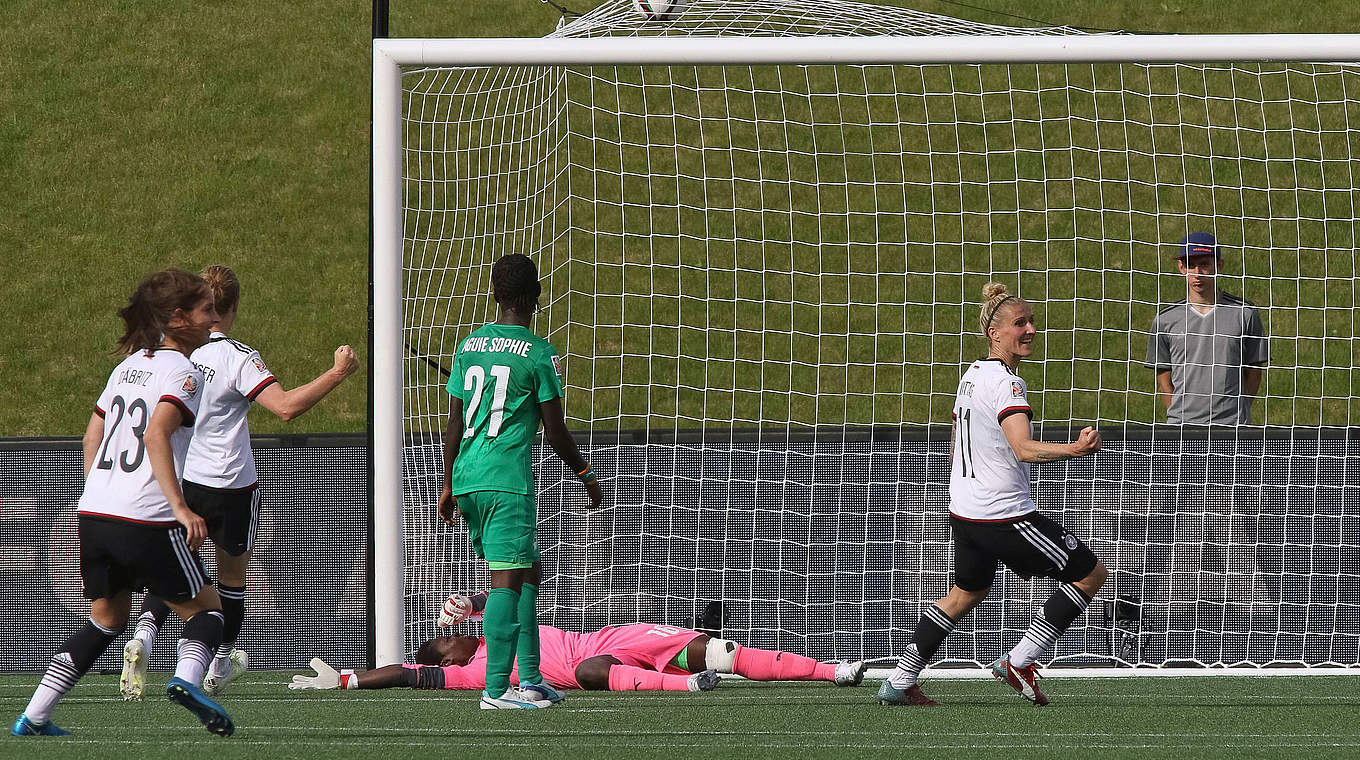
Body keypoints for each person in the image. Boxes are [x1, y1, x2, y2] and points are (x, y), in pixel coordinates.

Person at [120, 265, 361, 701]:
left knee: (173, 564)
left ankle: (144, 636)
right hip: (231, 486)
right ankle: (218, 661)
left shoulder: (173, 354)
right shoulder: (236, 356)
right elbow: (285, 407)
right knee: (232, 576)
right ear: (230, 309)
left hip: (185, 479)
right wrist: (337, 373)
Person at [12, 269, 234, 737]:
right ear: (178, 317)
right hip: (145, 519)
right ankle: (185, 679)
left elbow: (93, 432)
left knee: (106, 621)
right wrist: (179, 506)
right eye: (207, 310)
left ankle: (34, 715)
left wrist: (99, 487)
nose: (214, 321)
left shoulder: (128, 365)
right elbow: (156, 433)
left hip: (94, 514)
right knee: (208, 612)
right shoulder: (184, 372)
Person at [878, 282, 1106, 707]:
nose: (1031, 329)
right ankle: (1021, 660)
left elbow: (958, 440)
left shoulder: (971, 375)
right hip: (1002, 513)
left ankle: (899, 679)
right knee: (1090, 573)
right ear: (995, 333)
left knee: (966, 592)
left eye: (1032, 321)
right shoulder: (1007, 385)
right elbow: (1022, 447)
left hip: (965, 512)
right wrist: (1075, 449)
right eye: (1020, 323)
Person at [436, 253, 603, 709]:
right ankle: (495, 690)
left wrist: (447, 483)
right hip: (505, 479)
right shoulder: (539, 353)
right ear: (536, 297)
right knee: (507, 580)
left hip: (468, 475)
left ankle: (529, 678)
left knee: (527, 571)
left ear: (495, 294)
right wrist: (586, 475)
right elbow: (555, 430)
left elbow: (453, 423)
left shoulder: (469, 346)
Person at [289, 595, 866, 693]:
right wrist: (348, 678)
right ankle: (686, 687)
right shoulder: (472, 676)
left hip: (615, 636)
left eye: (453, 633)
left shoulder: (499, 626)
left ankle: (831, 671)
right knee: (591, 672)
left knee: (722, 651)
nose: (454, 640)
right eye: (445, 644)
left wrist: (470, 605)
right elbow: (409, 675)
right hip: (596, 664)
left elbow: (501, 595)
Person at [1145, 232, 1268, 426]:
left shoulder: (1245, 313)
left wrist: (1239, 411)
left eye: (1204, 264)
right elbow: (1164, 375)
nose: (1197, 273)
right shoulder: (1165, 320)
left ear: (1218, 266)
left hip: (1232, 427)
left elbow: (1254, 369)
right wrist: (1178, 414)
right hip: (1182, 428)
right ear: (1181, 268)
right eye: (1190, 265)